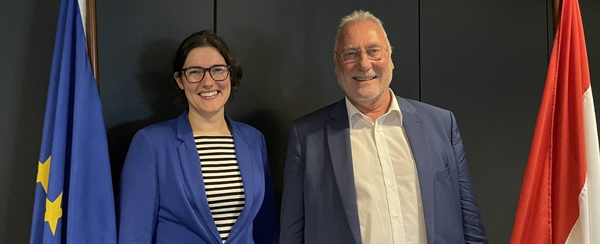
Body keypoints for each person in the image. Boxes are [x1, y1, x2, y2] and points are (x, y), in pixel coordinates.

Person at [280, 10, 487, 243]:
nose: (364, 64)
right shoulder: (307, 137)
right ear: (337, 65)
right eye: (351, 54)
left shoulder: (441, 125)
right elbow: (292, 233)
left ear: (390, 58)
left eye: (373, 51)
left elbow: (470, 223)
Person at [119, 30, 277, 244]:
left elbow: (265, 228)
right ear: (180, 80)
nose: (208, 82)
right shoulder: (151, 144)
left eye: (218, 70)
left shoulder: (254, 140)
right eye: (195, 72)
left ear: (230, 74)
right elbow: (134, 235)